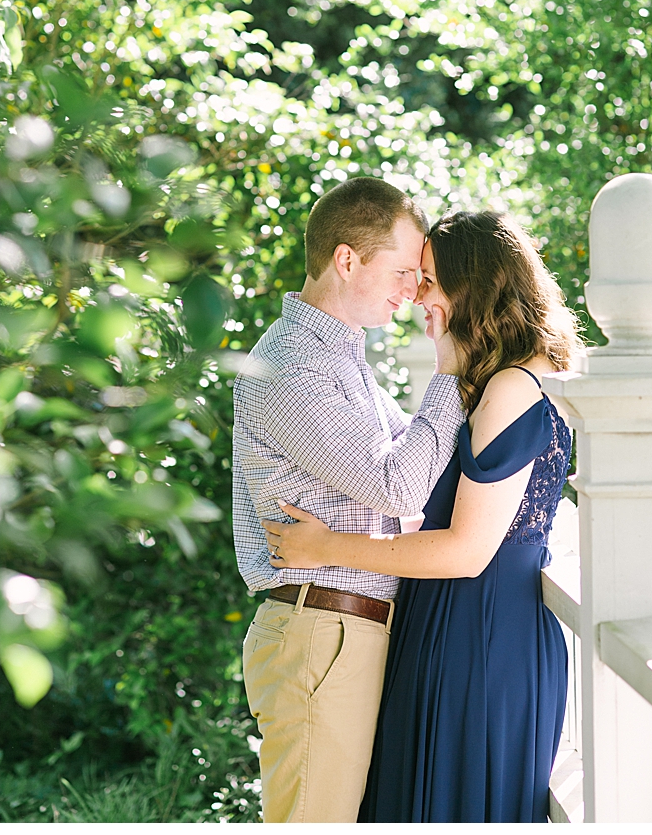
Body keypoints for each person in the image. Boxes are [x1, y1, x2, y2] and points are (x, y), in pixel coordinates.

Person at [265, 209, 581, 822]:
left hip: (476, 640)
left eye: (429, 281)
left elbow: (466, 550)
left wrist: (326, 545)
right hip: (468, 628)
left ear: (476, 285)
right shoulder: (512, 378)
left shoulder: (512, 387)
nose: (416, 297)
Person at [232, 176, 466, 823]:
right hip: (321, 634)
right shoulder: (290, 367)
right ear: (346, 259)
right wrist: (449, 365)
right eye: (402, 273)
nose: (412, 292)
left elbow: (415, 465)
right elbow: (399, 484)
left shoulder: (341, 360)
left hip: (342, 632)